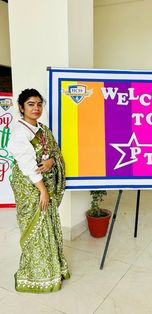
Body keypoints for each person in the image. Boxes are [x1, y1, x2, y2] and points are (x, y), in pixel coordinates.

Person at [8, 88, 70, 293]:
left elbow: (55, 153)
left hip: (44, 183)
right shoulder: (19, 131)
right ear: (21, 107)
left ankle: (53, 270)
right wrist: (42, 189)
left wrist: (52, 161)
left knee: (48, 226)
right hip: (30, 186)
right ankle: (35, 275)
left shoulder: (42, 129)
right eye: (31, 104)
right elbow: (26, 165)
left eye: (39, 104)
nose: (36, 108)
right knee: (35, 229)